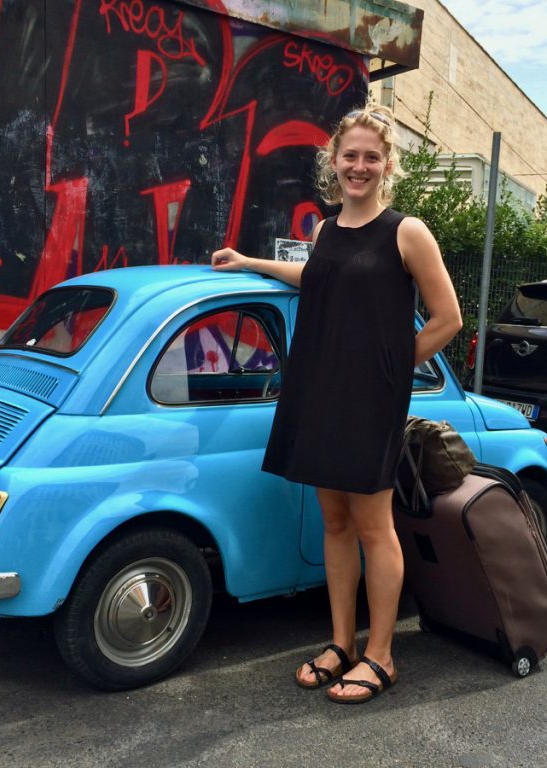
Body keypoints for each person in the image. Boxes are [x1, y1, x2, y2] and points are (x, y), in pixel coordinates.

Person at [211, 105, 462, 704]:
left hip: (370, 400)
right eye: (349, 155)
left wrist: (392, 368)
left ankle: (381, 655)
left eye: (370, 157)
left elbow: (449, 318)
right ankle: (341, 642)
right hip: (317, 390)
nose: (359, 165)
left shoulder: (408, 232)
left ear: (386, 165)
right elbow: (315, 276)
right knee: (334, 522)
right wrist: (249, 263)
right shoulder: (325, 230)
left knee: (376, 528)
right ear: (334, 160)